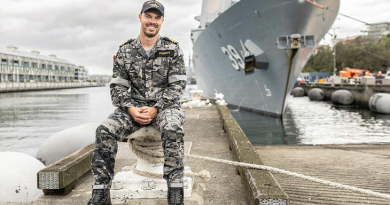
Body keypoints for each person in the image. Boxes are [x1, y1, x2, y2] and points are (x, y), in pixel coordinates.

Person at [87, 1, 187, 204]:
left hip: (165, 108)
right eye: (148, 16)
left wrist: (156, 108)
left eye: (157, 17)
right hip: (133, 108)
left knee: (173, 127)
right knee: (104, 130)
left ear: (162, 21)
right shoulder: (125, 51)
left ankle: (175, 189)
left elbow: (177, 87)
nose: (152, 21)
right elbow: (117, 88)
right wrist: (131, 109)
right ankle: (101, 190)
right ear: (140, 17)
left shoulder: (172, 49)